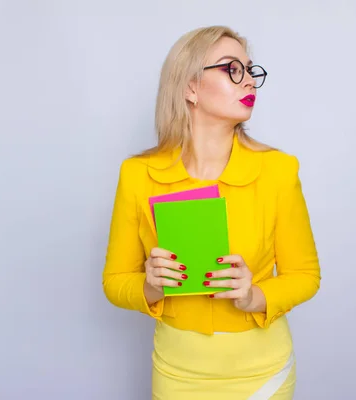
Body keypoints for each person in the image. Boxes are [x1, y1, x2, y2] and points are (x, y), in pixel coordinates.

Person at [102, 25, 321, 400]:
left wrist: (255, 296)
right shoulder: (138, 175)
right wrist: (150, 286)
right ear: (190, 88)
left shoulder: (278, 170)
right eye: (231, 69)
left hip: (261, 371)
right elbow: (114, 280)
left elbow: (305, 275)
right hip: (177, 372)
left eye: (250, 70)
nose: (248, 81)